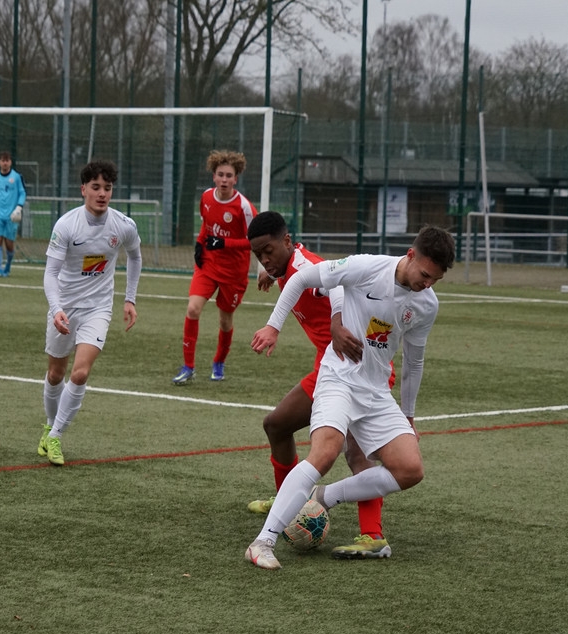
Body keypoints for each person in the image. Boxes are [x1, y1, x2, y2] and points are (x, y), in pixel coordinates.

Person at [245, 225, 455, 569]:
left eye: (435, 279)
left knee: (410, 469)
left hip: (375, 390)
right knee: (325, 452)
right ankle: (262, 543)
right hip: (338, 377)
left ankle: (323, 496)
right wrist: (273, 326)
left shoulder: (427, 304)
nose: (428, 283)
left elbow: (414, 361)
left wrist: (409, 415)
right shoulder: (368, 266)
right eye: (425, 275)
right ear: (411, 255)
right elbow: (303, 279)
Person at [245, 211, 397, 559]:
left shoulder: (305, 267)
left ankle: (373, 535)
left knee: (356, 452)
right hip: (329, 367)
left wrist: (336, 323)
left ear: (287, 241)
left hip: (357, 366)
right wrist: (270, 271)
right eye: (258, 255)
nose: (264, 259)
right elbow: (287, 271)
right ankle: (288, 501)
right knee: (276, 425)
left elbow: (338, 284)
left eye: (268, 251)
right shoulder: (286, 265)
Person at [37, 160, 142, 466]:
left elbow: (135, 257)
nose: (102, 194)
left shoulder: (123, 225)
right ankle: (49, 425)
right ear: (83, 189)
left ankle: (56, 436)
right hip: (65, 308)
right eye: (96, 187)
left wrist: (130, 299)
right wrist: (56, 309)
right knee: (55, 374)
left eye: (107, 188)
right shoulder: (66, 225)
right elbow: (50, 273)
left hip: (98, 308)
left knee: (80, 373)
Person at [172, 150, 256, 385]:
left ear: (236, 179)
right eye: (220, 174)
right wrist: (200, 244)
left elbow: (254, 241)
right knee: (193, 309)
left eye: (229, 175)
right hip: (208, 265)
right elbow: (206, 225)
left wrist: (225, 243)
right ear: (214, 176)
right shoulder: (207, 197)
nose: (224, 180)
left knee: (225, 321)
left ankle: (219, 361)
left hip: (234, 273)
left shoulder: (244, 207)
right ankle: (188, 367)